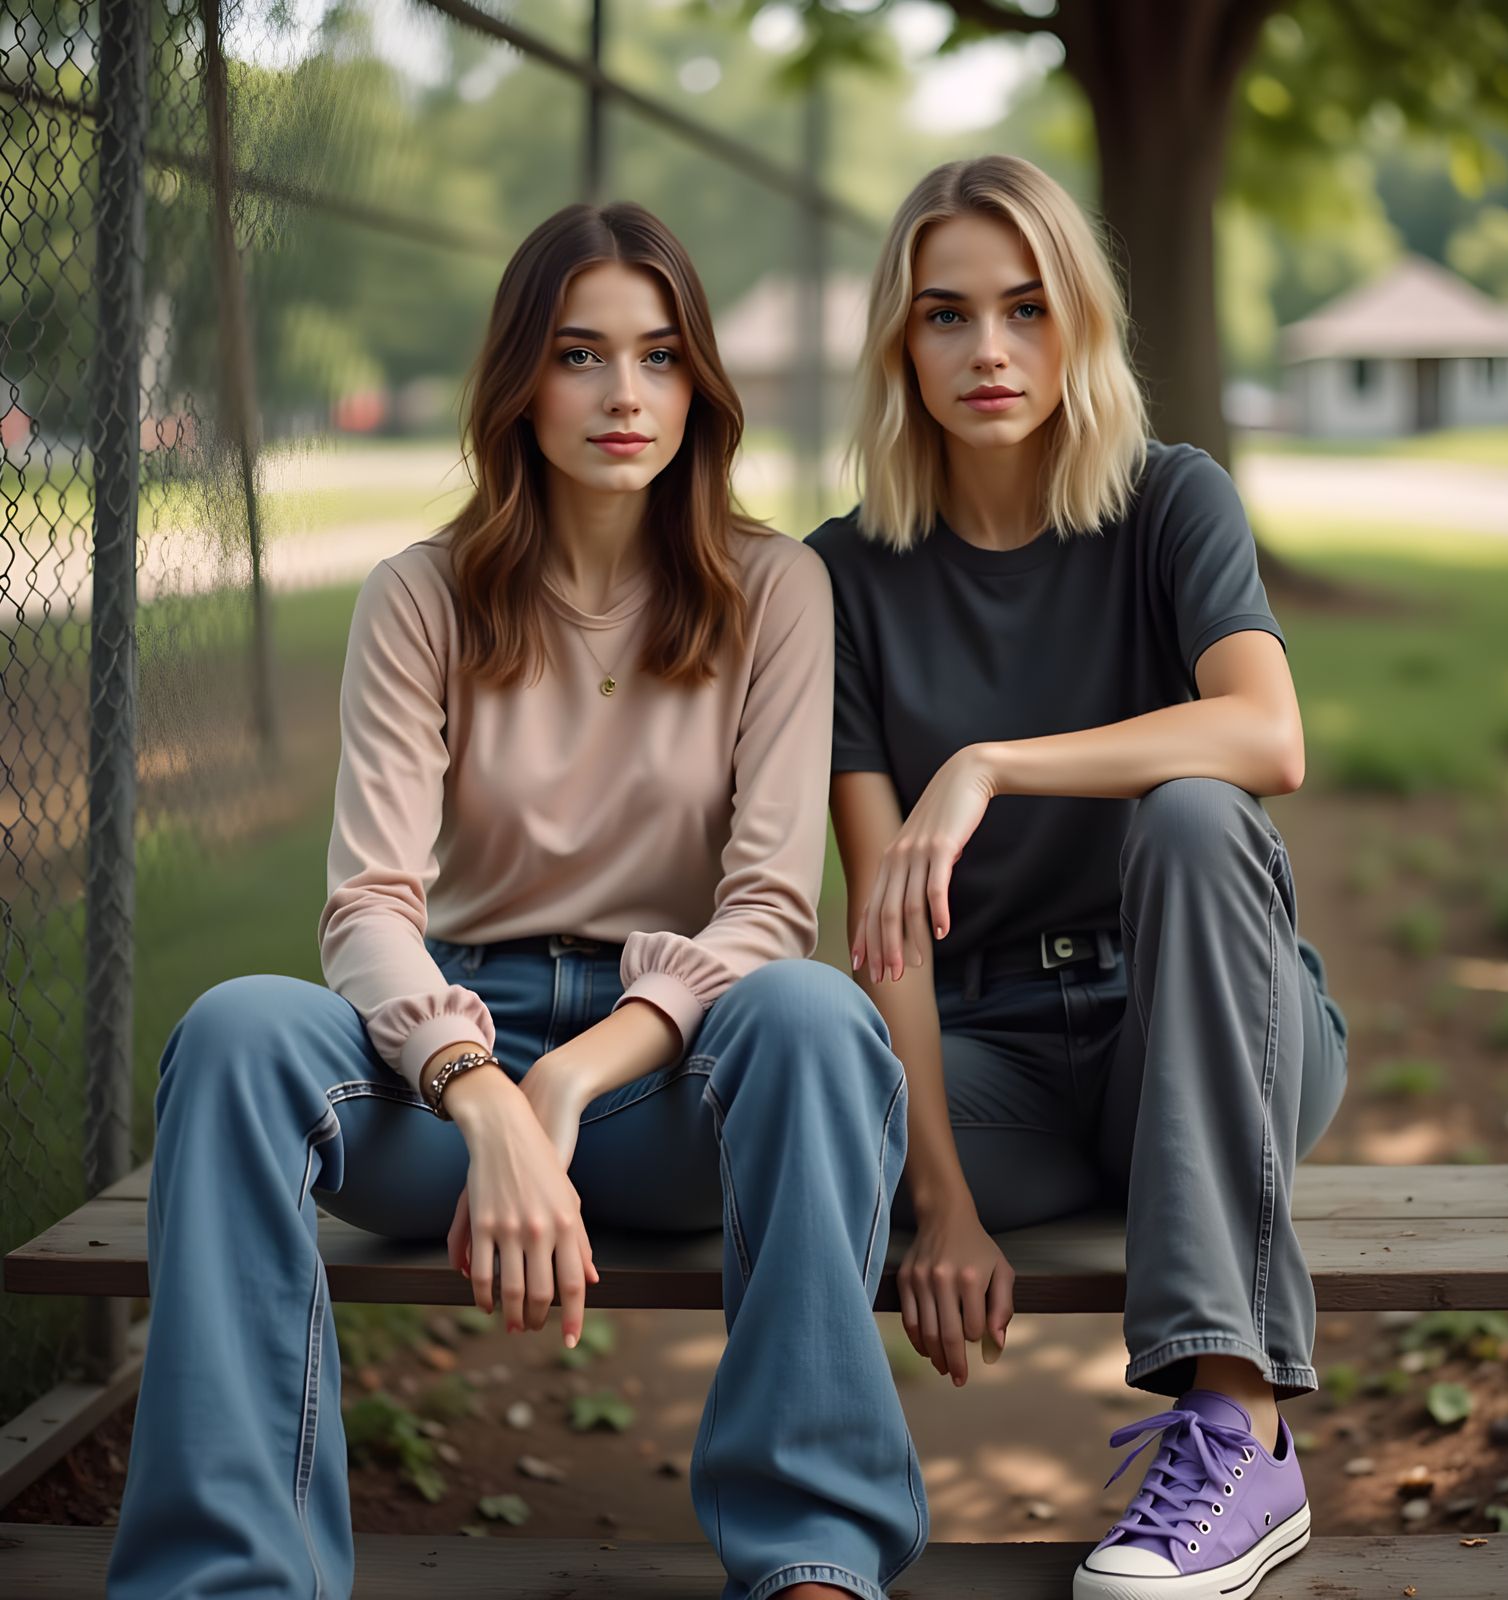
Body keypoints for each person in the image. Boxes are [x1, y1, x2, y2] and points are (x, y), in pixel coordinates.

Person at [107, 201, 927, 1600]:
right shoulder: (419, 597)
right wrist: (483, 1091)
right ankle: (231, 1581)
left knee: (815, 1014)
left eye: (662, 356)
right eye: (580, 355)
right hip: (448, 1066)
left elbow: (769, 911)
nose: (625, 396)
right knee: (239, 1031)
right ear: (518, 383)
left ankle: (811, 1560)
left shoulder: (774, 588)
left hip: (675, 1083)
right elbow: (367, 904)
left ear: (701, 384)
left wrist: (571, 1086)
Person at [806, 155, 1350, 1600]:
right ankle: (818, 1530)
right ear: (898, 343)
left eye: (1028, 309)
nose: (989, 352)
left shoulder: (1173, 502)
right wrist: (941, 1201)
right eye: (946, 316)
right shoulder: (841, 578)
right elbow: (885, 926)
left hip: (1208, 1019)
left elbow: (1267, 734)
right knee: (763, 1142)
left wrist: (988, 761)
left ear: (1081, 328)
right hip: (996, 1067)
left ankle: (1240, 1430)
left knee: (1193, 813)